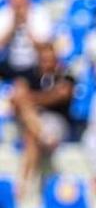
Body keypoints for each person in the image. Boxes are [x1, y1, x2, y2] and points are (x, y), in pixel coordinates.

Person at [10, 43, 75, 195]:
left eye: (50, 59)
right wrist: (46, 97)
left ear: (56, 60)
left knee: (28, 117)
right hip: (36, 124)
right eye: (43, 59)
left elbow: (62, 95)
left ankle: (23, 183)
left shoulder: (66, 75)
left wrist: (30, 98)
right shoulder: (30, 75)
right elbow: (15, 99)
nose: (46, 63)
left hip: (56, 121)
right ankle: (43, 135)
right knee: (32, 133)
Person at [0, 0, 53, 85]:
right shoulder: (4, 14)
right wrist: (13, 25)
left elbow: (44, 47)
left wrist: (27, 24)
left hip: (34, 66)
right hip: (8, 64)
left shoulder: (39, 14)